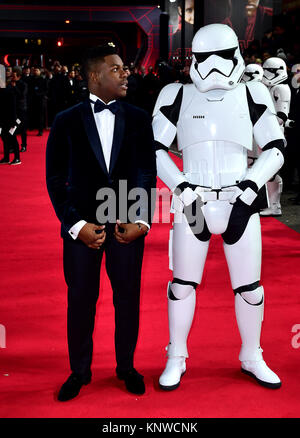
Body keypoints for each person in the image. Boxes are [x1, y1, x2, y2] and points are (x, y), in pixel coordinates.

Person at [152, 24, 284, 391]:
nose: (212, 68)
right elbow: (157, 150)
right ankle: (175, 355)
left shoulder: (253, 92)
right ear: (193, 59)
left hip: (238, 199)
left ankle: (252, 354)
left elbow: (274, 148)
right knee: (181, 285)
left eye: (221, 58)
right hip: (192, 200)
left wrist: (248, 188)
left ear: (235, 56)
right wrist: (181, 187)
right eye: (203, 59)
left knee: (250, 288)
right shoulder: (174, 94)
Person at [46, 45, 156, 401]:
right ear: (95, 76)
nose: (126, 74)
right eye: (117, 69)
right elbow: (55, 179)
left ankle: (126, 367)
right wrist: (76, 225)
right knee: (80, 300)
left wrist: (140, 220)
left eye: (124, 69)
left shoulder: (140, 118)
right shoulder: (65, 120)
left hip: (127, 224)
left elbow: (145, 173)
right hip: (82, 227)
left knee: (128, 299)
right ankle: (79, 371)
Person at [260, 57, 291, 216]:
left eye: (269, 71)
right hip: (264, 133)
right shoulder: (266, 88)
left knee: (271, 171)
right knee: (260, 169)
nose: (265, 74)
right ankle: (268, 203)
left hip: (274, 134)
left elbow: (281, 116)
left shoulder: (281, 88)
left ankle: (274, 206)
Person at [0, 78, 21, 165]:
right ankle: (6, 157)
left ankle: (17, 158)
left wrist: (13, 121)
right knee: (4, 137)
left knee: (12, 137)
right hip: (3, 118)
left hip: (11, 119)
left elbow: (13, 107)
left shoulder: (10, 90)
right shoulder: (1, 90)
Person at [8, 67, 28, 152]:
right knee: (12, 128)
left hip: (21, 110)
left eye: (14, 76)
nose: (12, 77)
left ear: (19, 76)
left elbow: (21, 96)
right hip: (13, 110)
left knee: (22, 128)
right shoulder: (10, 84)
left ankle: (23, 145)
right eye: (12, 76)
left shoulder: (23, 84)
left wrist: (15, 87)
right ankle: (12, 146)